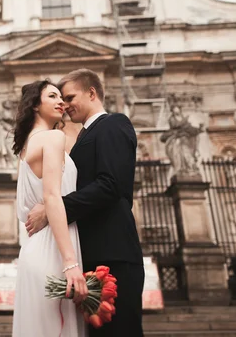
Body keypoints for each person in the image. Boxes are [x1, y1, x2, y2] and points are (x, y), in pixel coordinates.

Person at [25, 68, 144, 337]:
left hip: (113, 252)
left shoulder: (114, 123)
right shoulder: (79, 138)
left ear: (92, 93)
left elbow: (110, 185)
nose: (64, 106)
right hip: (90, 255)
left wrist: (54, 209)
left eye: (69, 97)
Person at [12, 80, 88, 337]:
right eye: (52, 96)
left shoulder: (26, 147)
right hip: (55, 250)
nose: (61, 102)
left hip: (35, 250)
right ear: (35, 104)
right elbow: (53, 197)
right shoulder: (54, 137)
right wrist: (70, 263)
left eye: (62, 97)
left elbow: (32, 206)